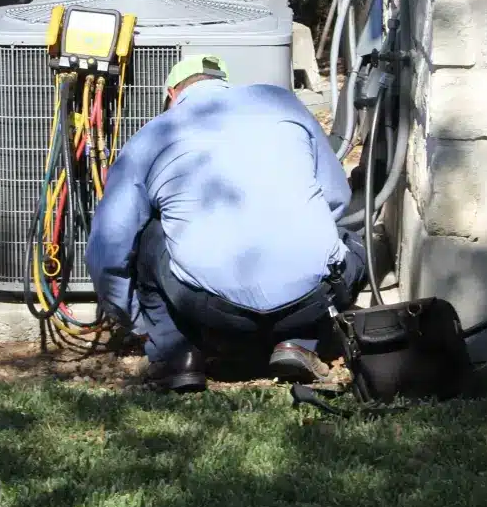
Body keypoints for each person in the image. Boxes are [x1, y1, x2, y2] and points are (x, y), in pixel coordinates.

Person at [84, 53, 367, 392]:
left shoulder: (151, 135)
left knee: (149, 235)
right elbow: (335, 196)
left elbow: (109, 245)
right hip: (310, 300)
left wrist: (134, 320)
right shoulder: (281, 102)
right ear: (224, 82)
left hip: (210, 308)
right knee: (347, 240)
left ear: (172, 95)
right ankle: (297, 343)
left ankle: (176, 356)